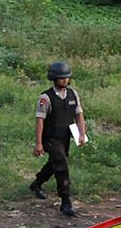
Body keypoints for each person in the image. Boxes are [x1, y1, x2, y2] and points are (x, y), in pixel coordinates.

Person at [29, 61, 87, 217]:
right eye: (61, 78)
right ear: (54, 79)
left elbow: (79, 115)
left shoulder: (73, 94)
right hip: (50, 137)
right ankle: (65, 201)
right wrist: (38, 143)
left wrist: (82, 134)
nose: (65, 80)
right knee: (61, 165)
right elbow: (40, 120)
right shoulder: (45, 98)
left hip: (65, 136)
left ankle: (37, 183)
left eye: (67, 77)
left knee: (54, 162)